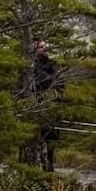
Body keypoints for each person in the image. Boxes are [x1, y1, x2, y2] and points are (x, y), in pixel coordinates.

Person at [31, 39, 64, 172]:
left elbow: (59, 83)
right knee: (33, 137)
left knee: (51, 137)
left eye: (46, 46)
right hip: (34, 106)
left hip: (51, 105)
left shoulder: (53, 64)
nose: (45, 48)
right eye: (41, 47)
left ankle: (49, 164)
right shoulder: (31, 66)